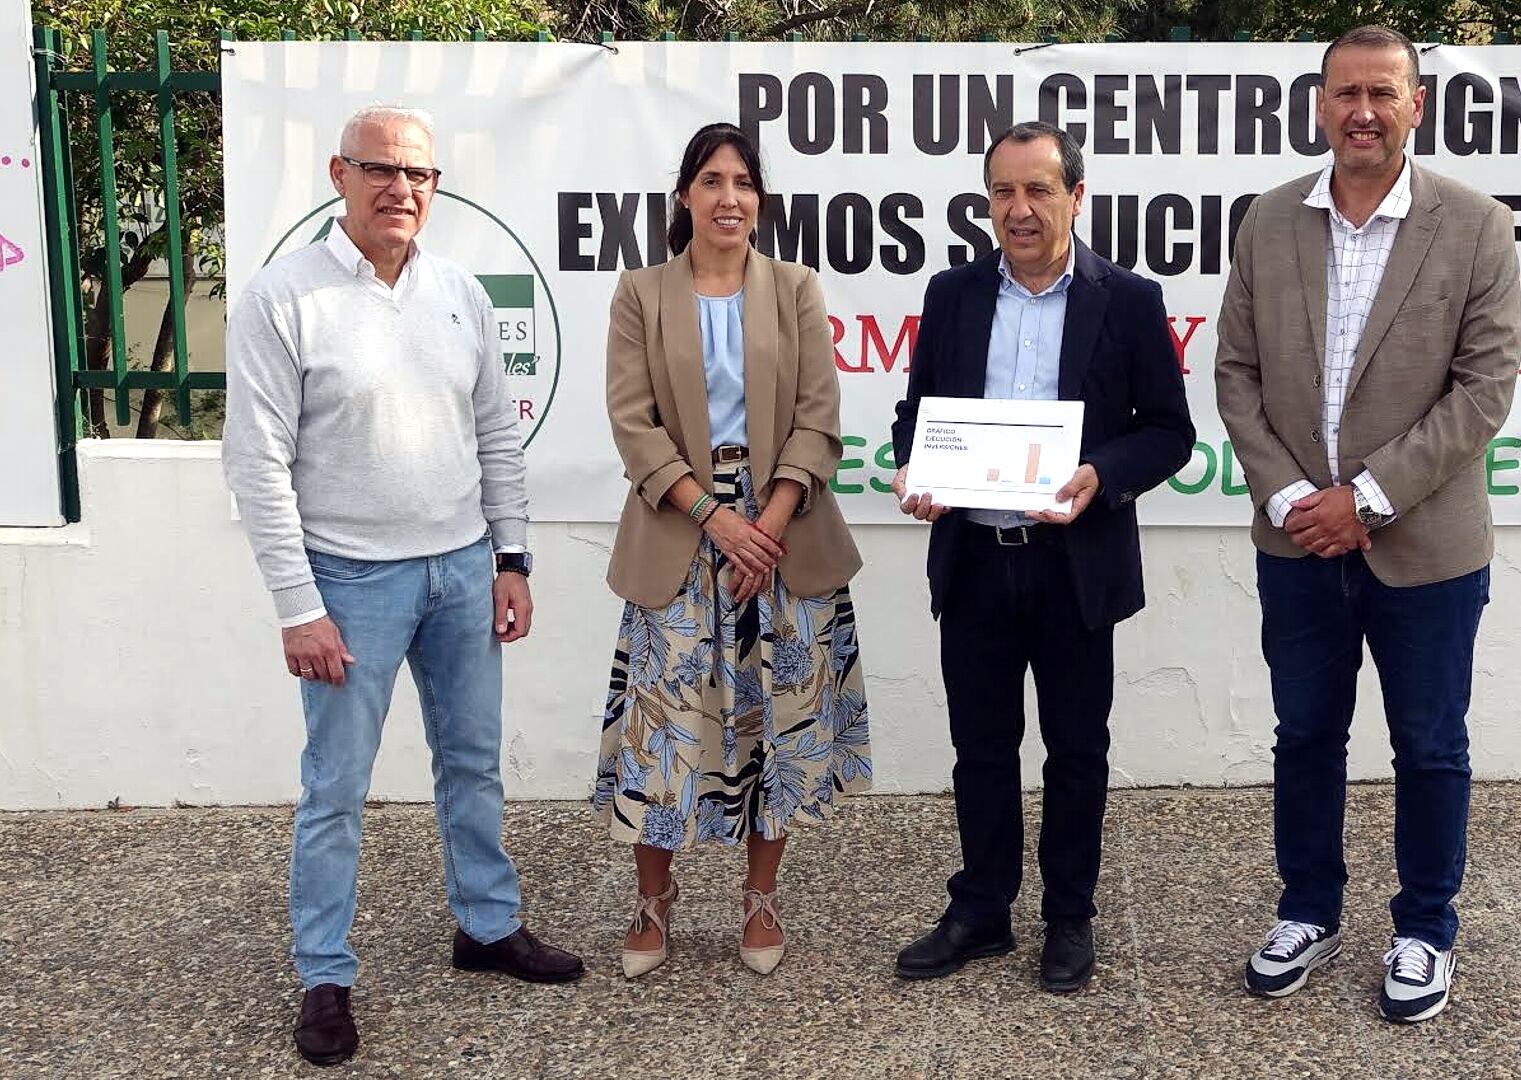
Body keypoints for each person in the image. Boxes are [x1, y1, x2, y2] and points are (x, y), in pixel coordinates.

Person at [223, 104, 584, 1068]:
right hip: (348, 584)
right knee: (335, 789)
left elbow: (496, 436)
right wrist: (300, 607)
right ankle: (324, 975)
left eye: (419, 174)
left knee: (472, 764)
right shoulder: (282, 298)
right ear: (340, 174)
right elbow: (256, 464)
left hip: (462, 571)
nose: (401, 189)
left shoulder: (460, 292)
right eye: (380, 169)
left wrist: (511, 559)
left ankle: (486, 925)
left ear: (435, 188)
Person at [1213, 25, 1521, 1023]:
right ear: (1318, 105)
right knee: (1305, 734)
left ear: (1416, 104)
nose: (1362, 110)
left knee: (1430, 745)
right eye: (1345, 92)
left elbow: (1483, 391)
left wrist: (1369, 500)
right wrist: (1290, 500)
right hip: (1295, 542)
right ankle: (1308, 908)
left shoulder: (1475, 227)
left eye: (1382, 93)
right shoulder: (1267, 223)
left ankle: (1426, 930)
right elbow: (1236, 375)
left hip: (1426, 547)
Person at [889, 121, 1196, 993]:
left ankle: (1070, 917)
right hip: (976, 558)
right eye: (1002, 193)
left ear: (1076, 197)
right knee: (980, 748)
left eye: (1037, 191)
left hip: (1073, 566)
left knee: (1075, 748)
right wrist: (916, 464)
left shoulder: (1128, 300)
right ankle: (982, 908)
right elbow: (917, 415)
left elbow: (1170, 434)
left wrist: (1103, 472)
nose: (1018, 210)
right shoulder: (952, 295)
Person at [594, 122, 871, 979]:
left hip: (782, 537)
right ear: (684, 196)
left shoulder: (795, 289)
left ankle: (760, 898)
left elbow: (819, 417)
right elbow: (632, 424)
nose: (728, 198)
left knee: (775, 723)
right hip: (682, 529)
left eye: (744, 182)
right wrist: (714, 518)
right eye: (711, 180)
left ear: (760, 199)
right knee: (664, 730)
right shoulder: (642, 292)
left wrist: (770, 521)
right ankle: (653, 902)